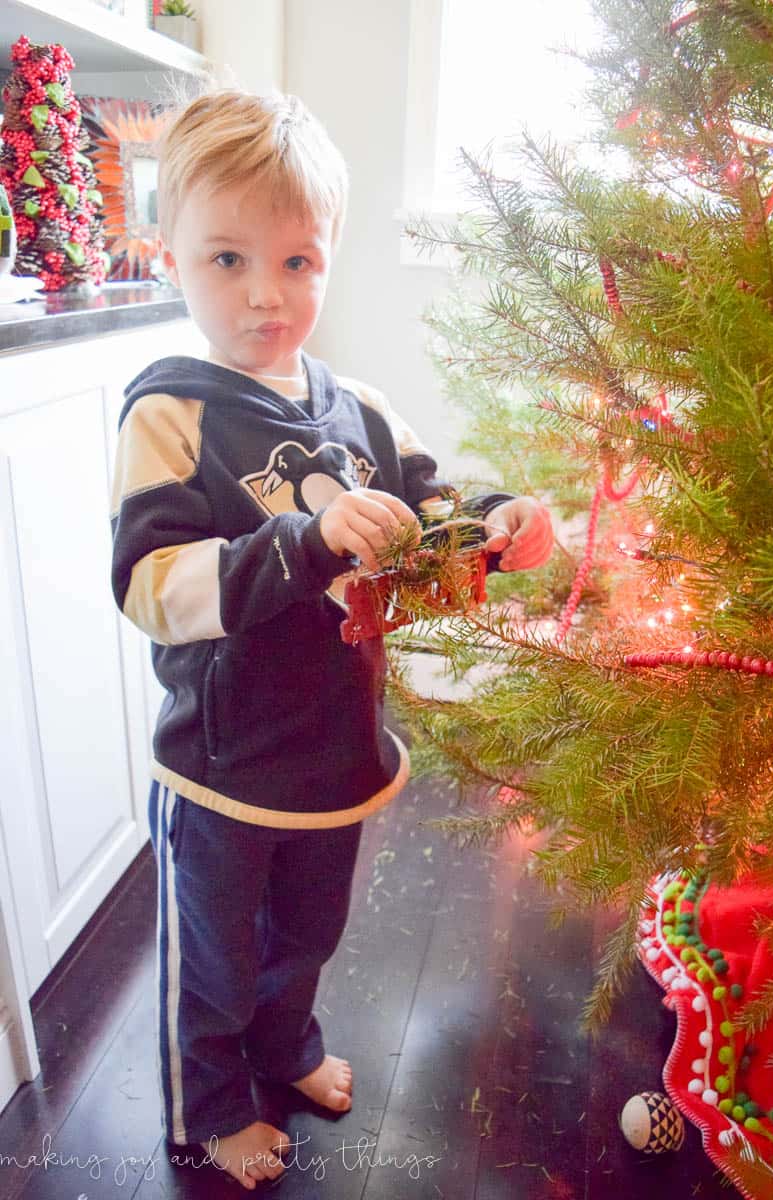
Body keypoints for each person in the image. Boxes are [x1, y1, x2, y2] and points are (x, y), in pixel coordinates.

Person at [109, 87, 554, 1191]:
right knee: (214, 957)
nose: (266, 295)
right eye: (226, 260)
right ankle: (208, 1110)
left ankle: (285, 1051)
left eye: (298, 262)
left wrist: (496, 526)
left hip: (333, 747)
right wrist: (303, 543)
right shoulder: (170, 412)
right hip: (221, 763)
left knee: (306, 930)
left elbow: (431, 509)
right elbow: (150, 584)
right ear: (168, 254)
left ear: (328, 259)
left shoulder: (355, 405)